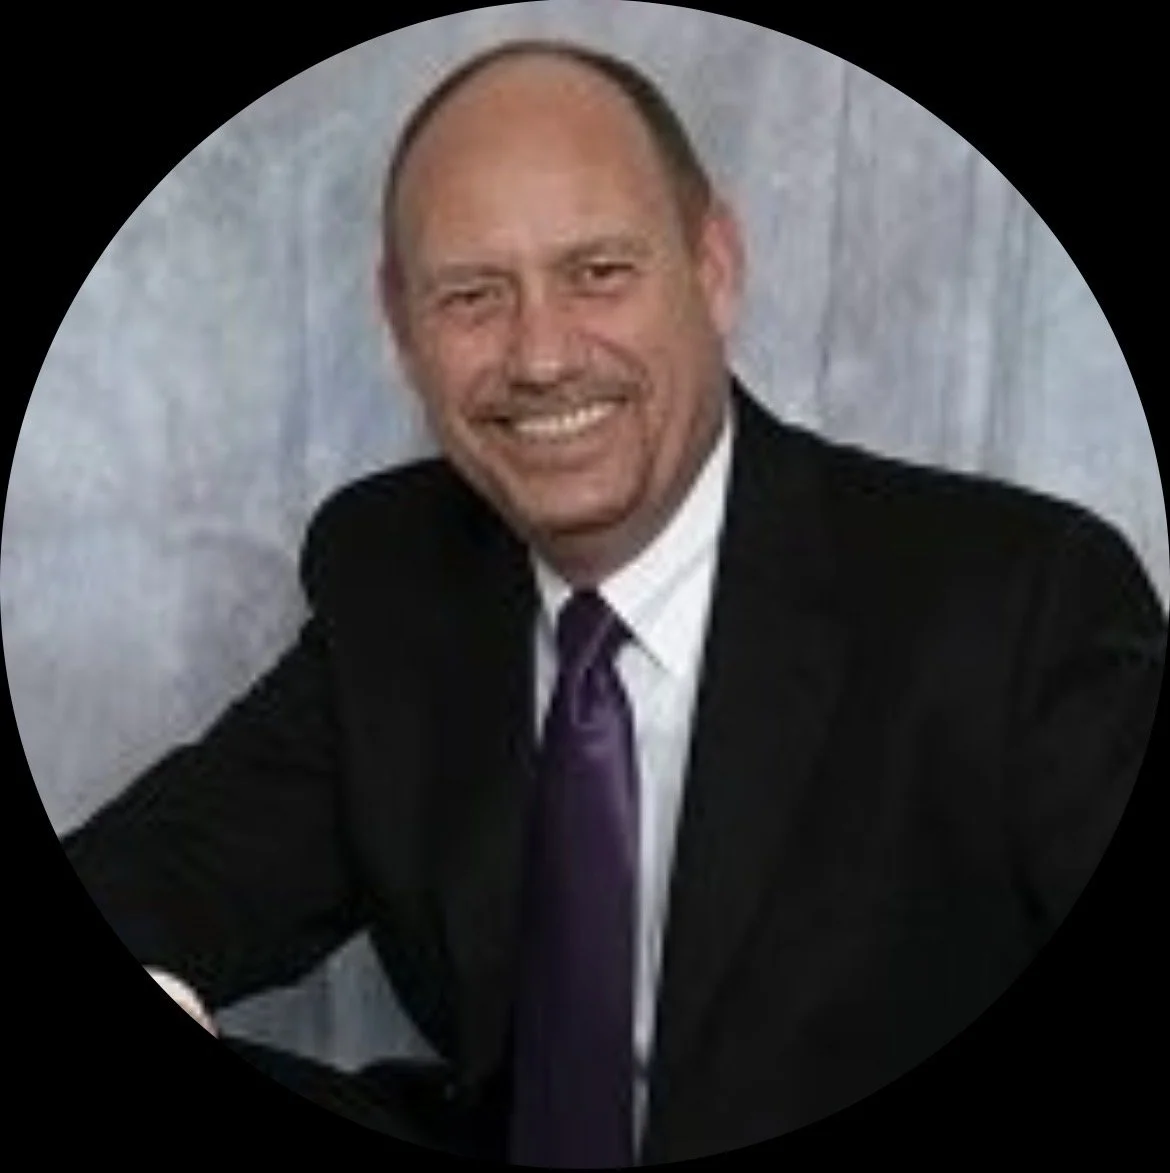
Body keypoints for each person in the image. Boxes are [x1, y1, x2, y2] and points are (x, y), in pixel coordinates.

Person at [62, 38, 1166, 1167]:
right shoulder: (394, 576)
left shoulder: (1023, 604)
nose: (540, 357)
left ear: (715, 265)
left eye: (599, 273)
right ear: (400, 327)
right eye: (472, 295)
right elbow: (163, 876)